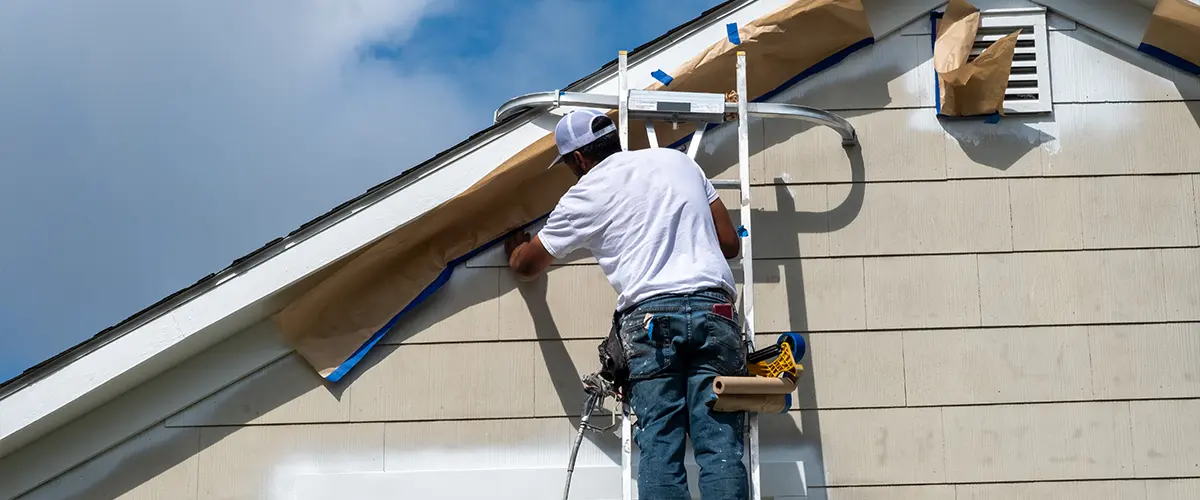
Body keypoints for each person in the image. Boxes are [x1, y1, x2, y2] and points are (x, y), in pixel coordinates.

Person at [504, 108, 749, 499]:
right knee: (720, 446)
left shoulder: (586, 193)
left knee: (661, 446)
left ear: (579, 158)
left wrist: (515, 252)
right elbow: (730, 244)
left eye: (570, 165)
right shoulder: (679, 161)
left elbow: (529, 266)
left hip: (651, 321)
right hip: (714, 310)